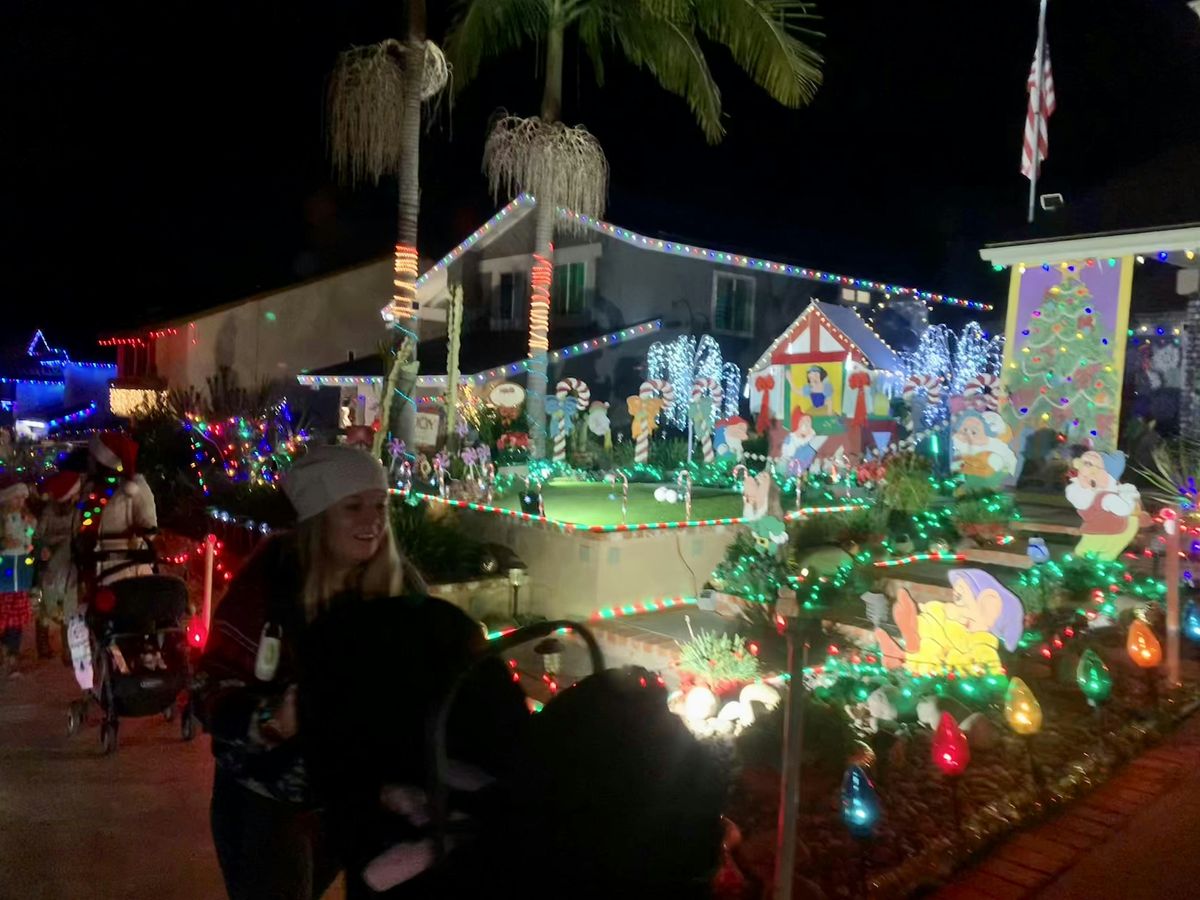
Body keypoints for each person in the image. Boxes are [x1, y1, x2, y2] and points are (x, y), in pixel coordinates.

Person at [195, 444, 405, 900]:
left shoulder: (399, 585)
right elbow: (208, 689)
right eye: (353, 507)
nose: (372, 520)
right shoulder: (268, 583)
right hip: (264, 801)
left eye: (380, 506)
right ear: (320, 516)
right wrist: (272, 718)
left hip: (351, 797)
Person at [82, 433, 158, 584]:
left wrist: (136, 537)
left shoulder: (134, 487)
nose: (90, 462)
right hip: (94, 562)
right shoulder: (91, 488)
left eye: (93, 458)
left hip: (124, 566)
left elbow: (150, 528)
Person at [36, 471, 82, 665]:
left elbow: (78, 534)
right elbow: (37, 536)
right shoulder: (48, 512)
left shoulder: (76, 512)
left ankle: (68, 649)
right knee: (47, 606)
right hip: (51, 564)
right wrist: (43, 549)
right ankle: (43, 644)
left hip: (69, 562)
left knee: (70, 607)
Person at [0, 477, 35, 678]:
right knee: (5, 614)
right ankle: (6, 649)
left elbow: (28, 539)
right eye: (17, 498)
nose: (20, 502)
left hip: (20, 571)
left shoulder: (24, 518)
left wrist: (30, 530)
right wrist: (4, 543)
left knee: (16, 618)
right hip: (4, 572)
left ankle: (12, 653)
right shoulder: (3, 519)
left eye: (23, 499)